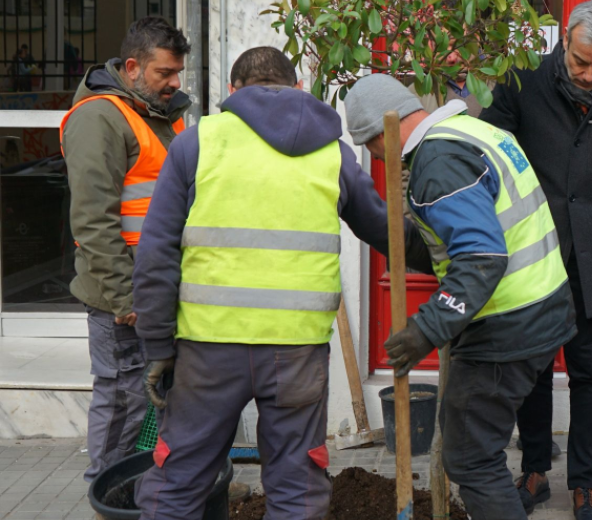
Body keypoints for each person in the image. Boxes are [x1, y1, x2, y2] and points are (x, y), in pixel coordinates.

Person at [130, 47, 430, 519]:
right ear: (296, 88)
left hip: (209, 348)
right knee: (295, 488)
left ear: (232, 92)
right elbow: (386, 231)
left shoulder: (198, 142)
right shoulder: (329, 150)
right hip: (296, 352)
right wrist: (447, 257)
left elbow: (156, 253)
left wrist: (157, 344)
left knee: (178, 481)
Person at [344, 73, 577, 520]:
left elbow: (481, 257)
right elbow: (447, 244)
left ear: (380, 132)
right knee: (470, 445)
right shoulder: (473, 129)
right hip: (541, 310)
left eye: (371, 148)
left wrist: (424, 329)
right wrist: (372, 222)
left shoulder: (439, 161)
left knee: (471, 458)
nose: (378, 157)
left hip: (507, 325)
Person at [480, 1, 592, 517]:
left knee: (589, 372)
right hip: (534, 251)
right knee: (532, 369)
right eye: (582, 61)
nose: (589, 74)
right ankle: (534, 470)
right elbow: (490, 157)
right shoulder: (520, 83)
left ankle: (585, 482)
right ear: (565, 40)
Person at [59, 16, 190, 484]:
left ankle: (156, 491)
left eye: (178, 73)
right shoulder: (100, 118)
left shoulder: (153, 112)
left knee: (155, 401)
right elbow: (93, 221)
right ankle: (107, 497)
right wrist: (125, 299)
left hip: (154, 288)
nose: (174, 83)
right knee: (123, 401)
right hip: (124, 300)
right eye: (164, 74)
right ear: (132, 67)